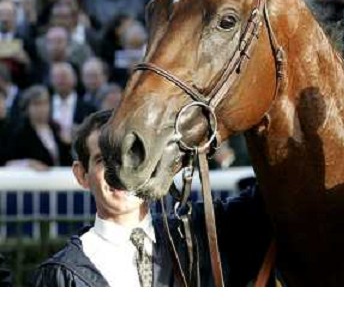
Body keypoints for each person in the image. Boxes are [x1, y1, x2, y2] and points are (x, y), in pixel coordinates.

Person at [33, 110, 271, 287]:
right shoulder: (60, 277)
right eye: (103, 160)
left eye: (132, 154)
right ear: (81, 175)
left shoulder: (202, 236)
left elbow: (276, 198)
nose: (122, 170)